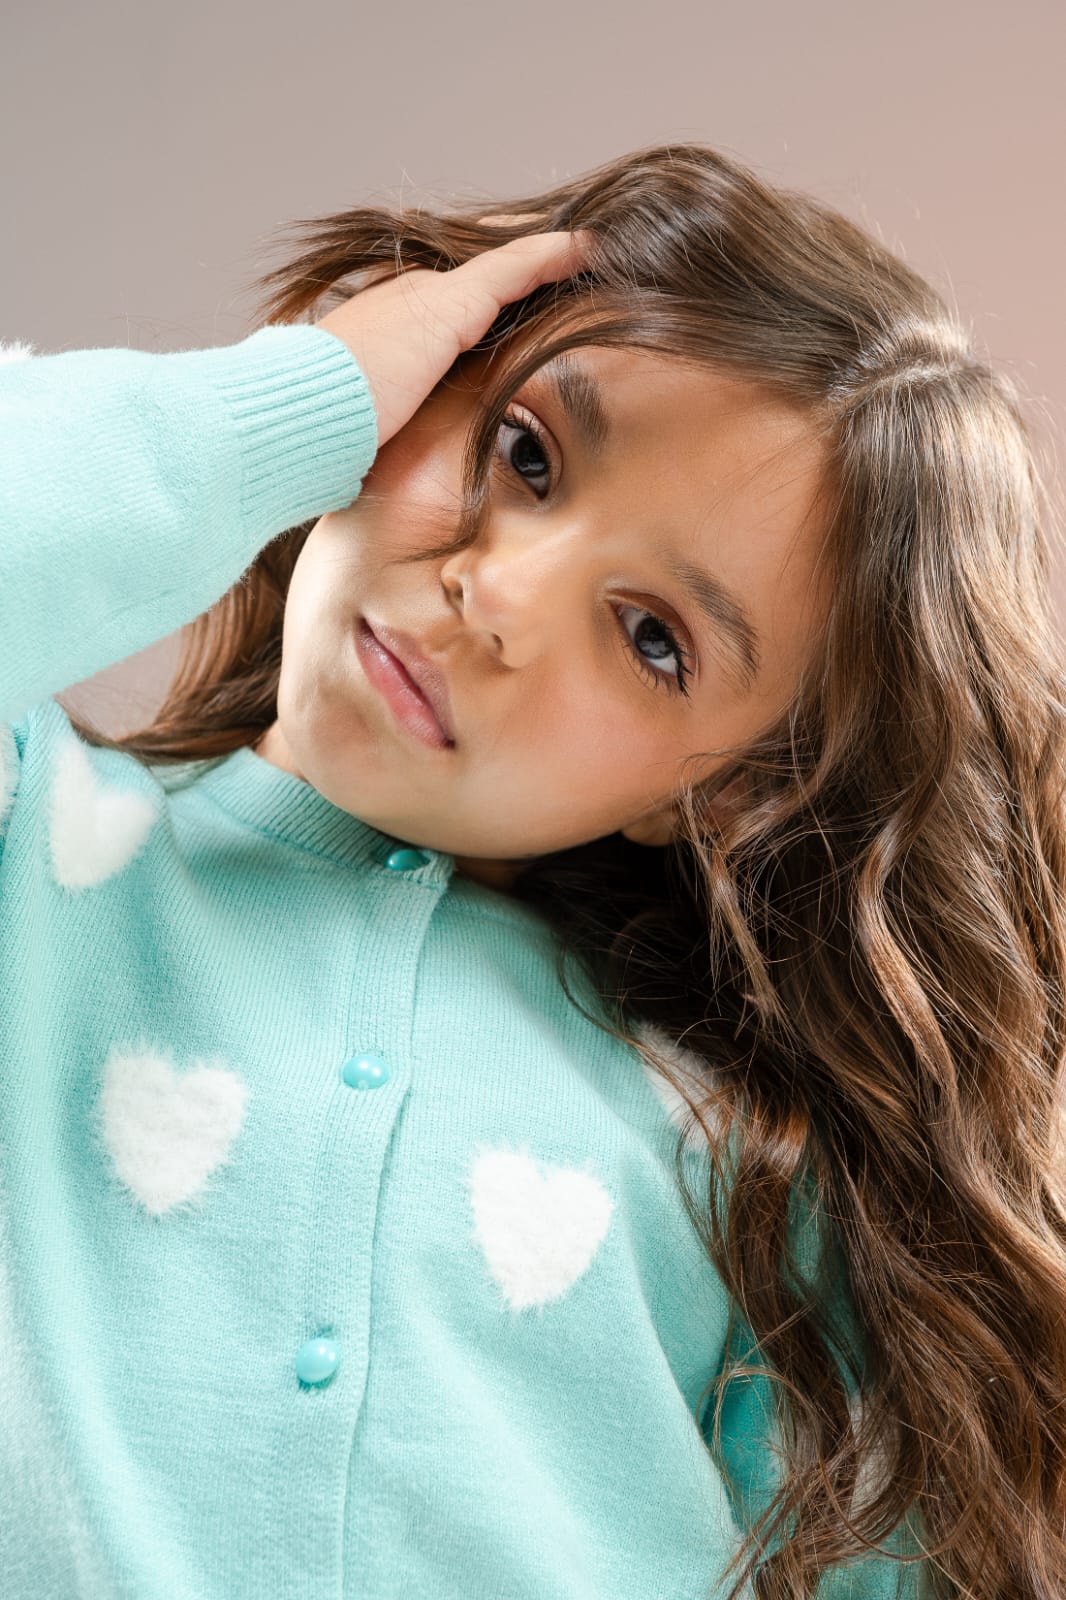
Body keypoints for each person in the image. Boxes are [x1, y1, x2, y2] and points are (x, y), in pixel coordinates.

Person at [0, 140, 1063, 1600]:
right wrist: (293, 402)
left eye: (652, 640)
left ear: (725, 795)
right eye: (526, 453)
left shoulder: (738, 1162)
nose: (494, 599)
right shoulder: (35, 851)